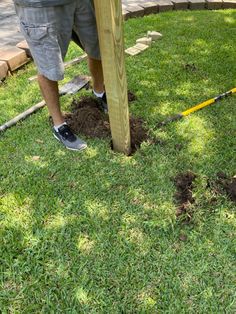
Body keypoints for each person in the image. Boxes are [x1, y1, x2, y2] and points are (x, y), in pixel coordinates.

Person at [14, 0, 107, 151]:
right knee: (48, 66)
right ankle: (59, 125)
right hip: (41, 6)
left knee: (98, 48)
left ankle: (99, 92)